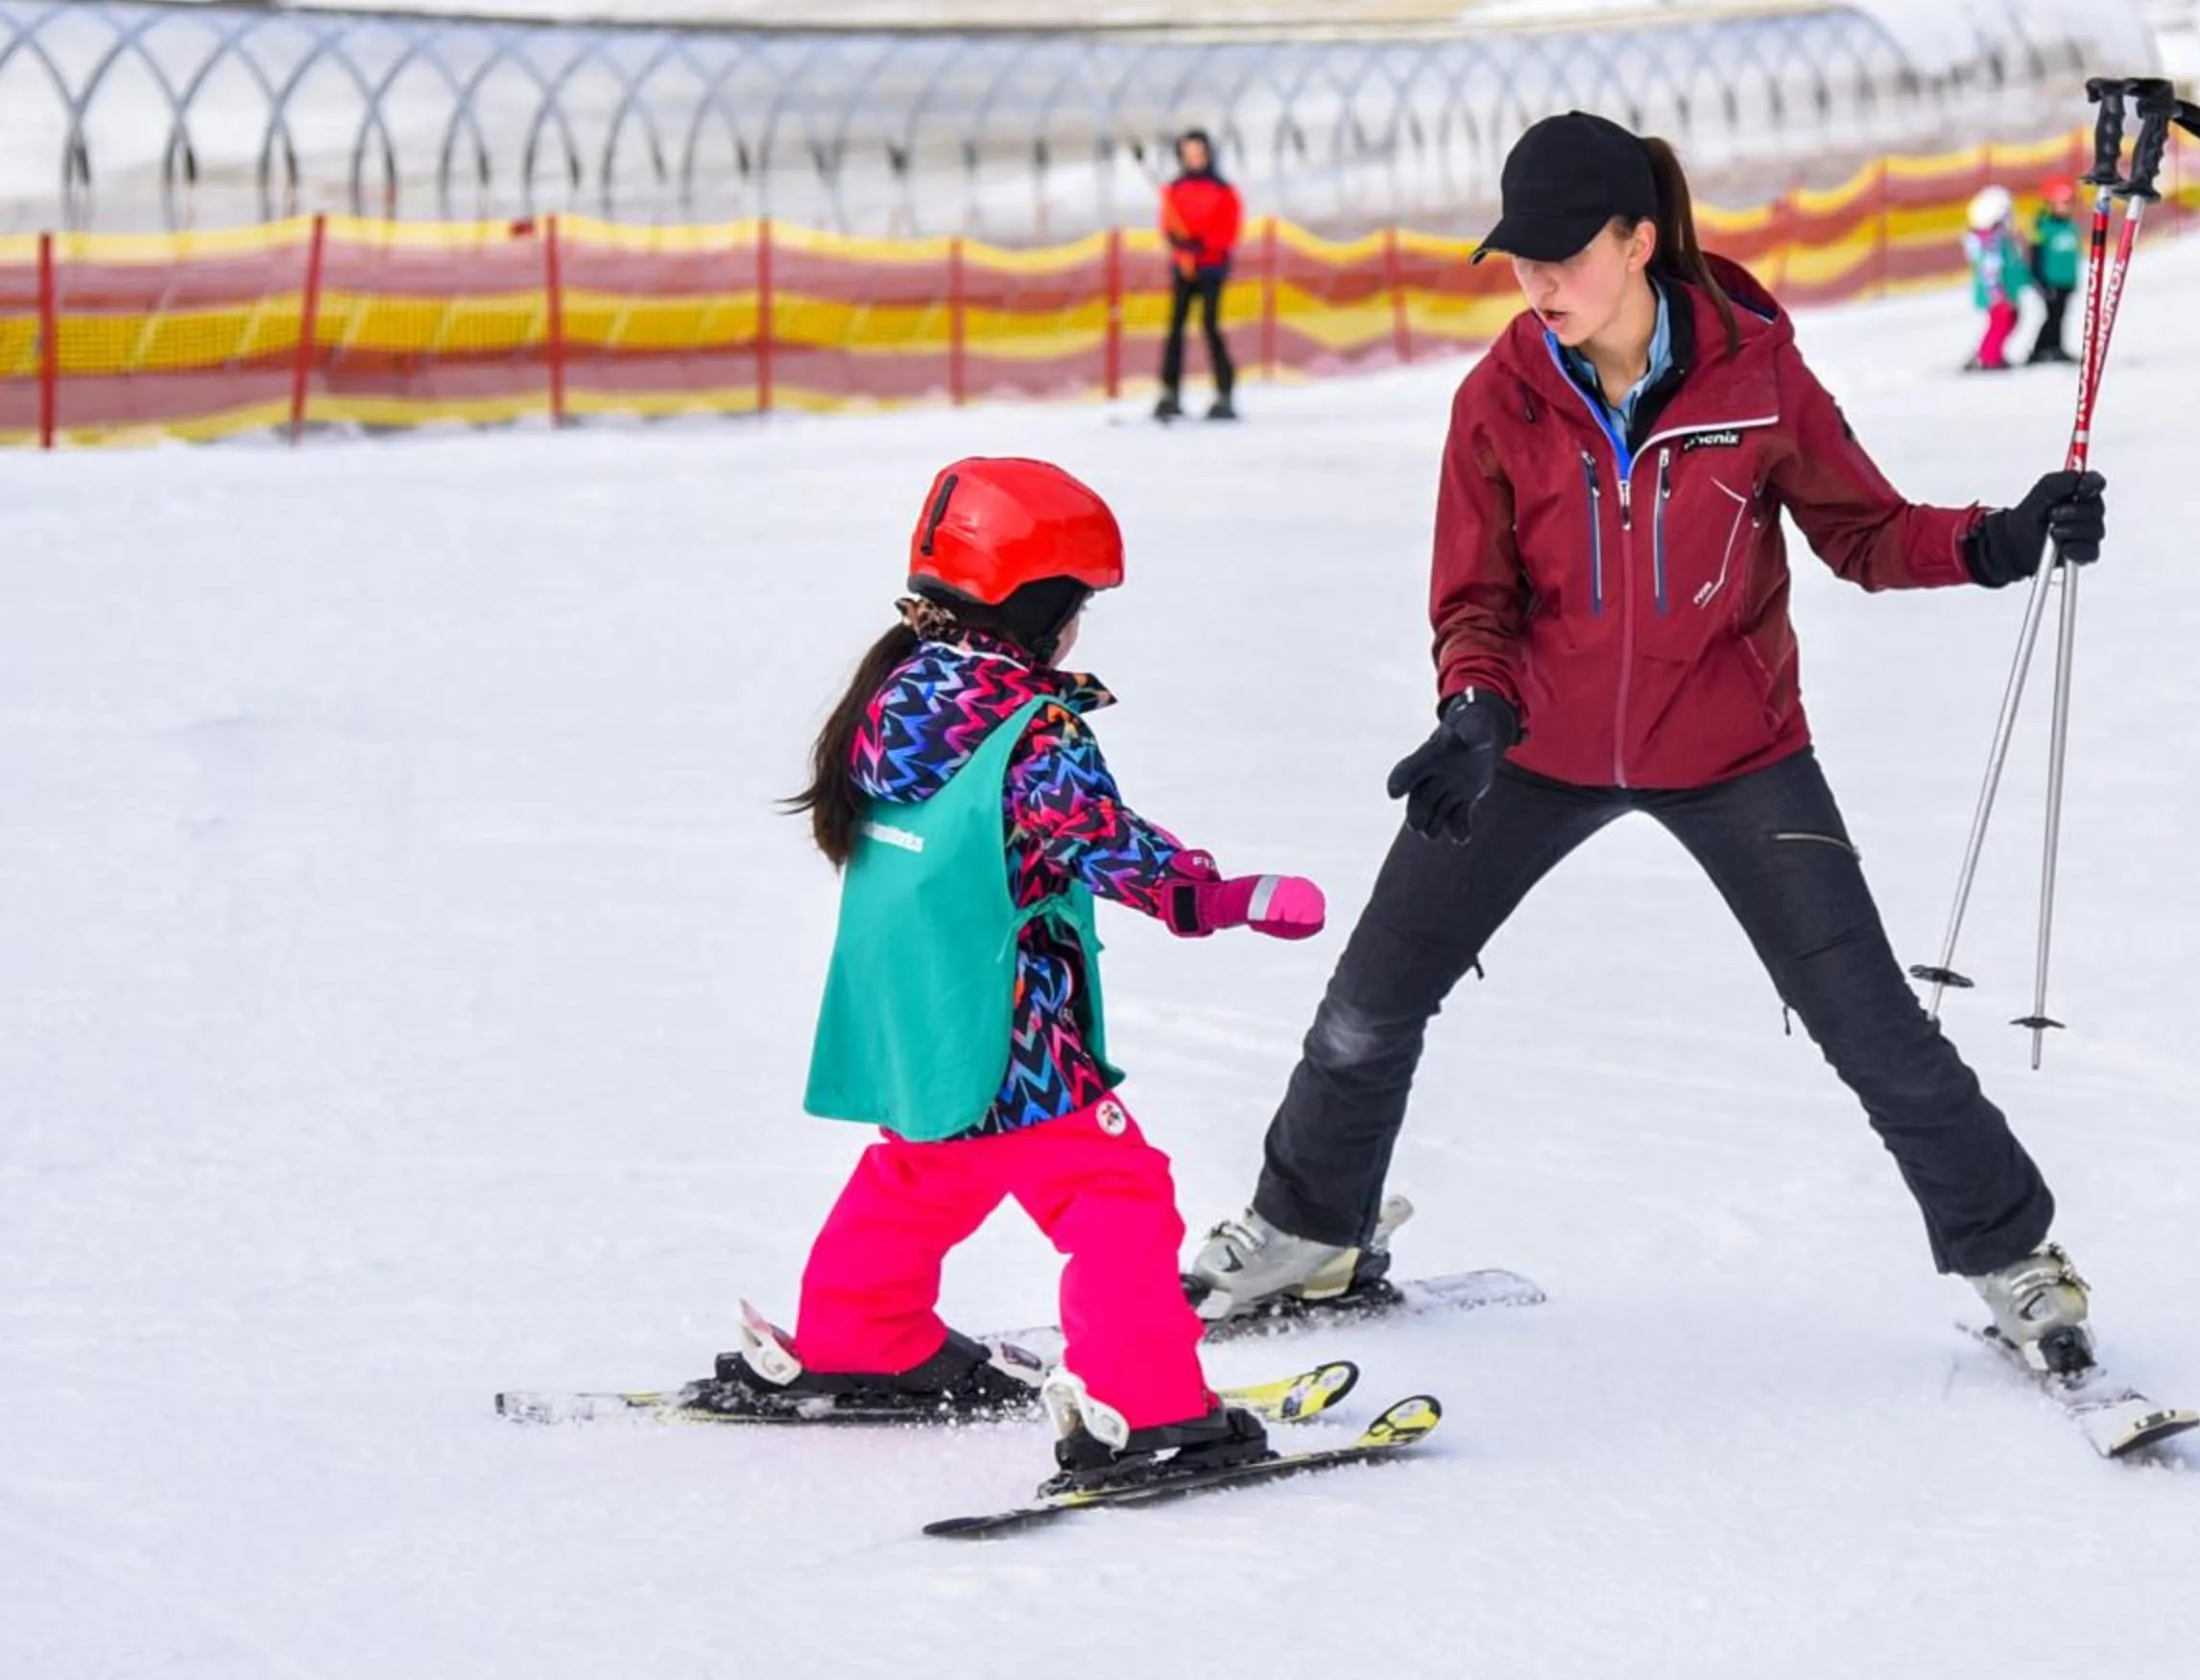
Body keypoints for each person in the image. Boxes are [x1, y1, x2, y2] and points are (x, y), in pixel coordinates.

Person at [1184, 109, 2114, 1375]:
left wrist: (1999, 538)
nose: (1538, 283)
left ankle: (2014, 1259)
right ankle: (1308, 1229)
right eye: (1520, 259)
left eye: (1564, 254)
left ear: (1638, 239)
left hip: (1735, 750)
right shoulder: (1499, 396)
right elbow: (1477, 600)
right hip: (1534, 747)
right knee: (1366, 1005)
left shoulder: (1756, 376)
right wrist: (1476, 708)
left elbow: (1867, 532)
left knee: (1870, 1020)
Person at [735, 457, 1327, 1487]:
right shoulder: (1028, 732)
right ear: (1040, 606)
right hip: (1019, 1027)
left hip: (921, 1013)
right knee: (1116, 1194)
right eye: (1080, 605)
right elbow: (1109, 846)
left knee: (927, 1165)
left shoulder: (897, 694)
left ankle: (861, 1331)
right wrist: (1218, 896)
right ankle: (1143, 1407)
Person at [1157, 131, 1245, 420]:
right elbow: (1168, 225)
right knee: (1175, 329)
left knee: (1210, 325)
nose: (1193, 157)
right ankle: (1169, 393)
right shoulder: (1174, 190)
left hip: (1211, 268)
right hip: (1183, 267)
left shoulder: (1223, 191)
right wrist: (1181, 248)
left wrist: (1202, 246)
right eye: (1188, 152)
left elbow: (1228, 230)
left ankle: (1224, 391)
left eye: (1198, 152)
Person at [1961, 183, 2031, 373]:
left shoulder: (2000, 239)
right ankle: (1988, 357)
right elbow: (1990, 271)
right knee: (2001, 322)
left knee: (2010, 320)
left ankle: (1993, 353)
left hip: (2005, 292)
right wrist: (1998, 296)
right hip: (1998, 295)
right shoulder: (1990, 243)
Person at [2025, 178, 2083, 367]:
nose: (2067, 207)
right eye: (2063, 203)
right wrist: (2040, 280)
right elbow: (2036, 255)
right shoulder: (2043, 225)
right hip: (2051, 280)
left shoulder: (2070, 226)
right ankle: (2041, 348)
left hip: (2066, 280)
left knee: (2060, 314)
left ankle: (2055, 346)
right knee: (2052, 315)